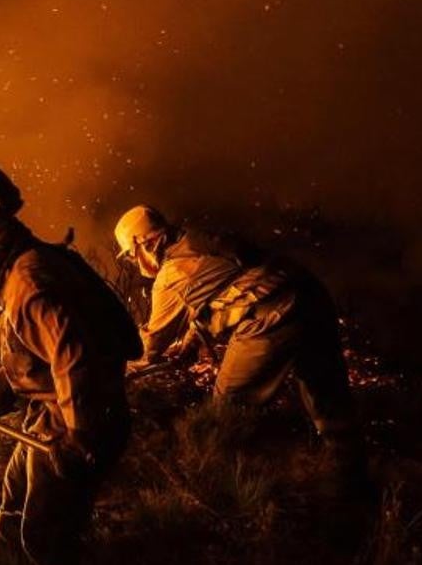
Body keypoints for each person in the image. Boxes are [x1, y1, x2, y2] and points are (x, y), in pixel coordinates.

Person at [0, 161, 142, 565]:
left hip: (78, 420)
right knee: (14, 495)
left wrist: (79, 437)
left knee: (46, 537)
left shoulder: (26, 281)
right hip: (57, 411)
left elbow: (73, 357)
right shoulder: (28, 263)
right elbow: (32, 355)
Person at [113, 204, 367, 490]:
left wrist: (109, 361)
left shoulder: (171, 274)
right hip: (309, 295)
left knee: (226, 409)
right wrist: (189, 342)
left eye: (132, 257)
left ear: (144, 244)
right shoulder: (200, 239)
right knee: (326, 395)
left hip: (272, 317)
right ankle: (352, 481)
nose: (134, 264)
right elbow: (223, 284)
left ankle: (233, 490)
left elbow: (147, 347)